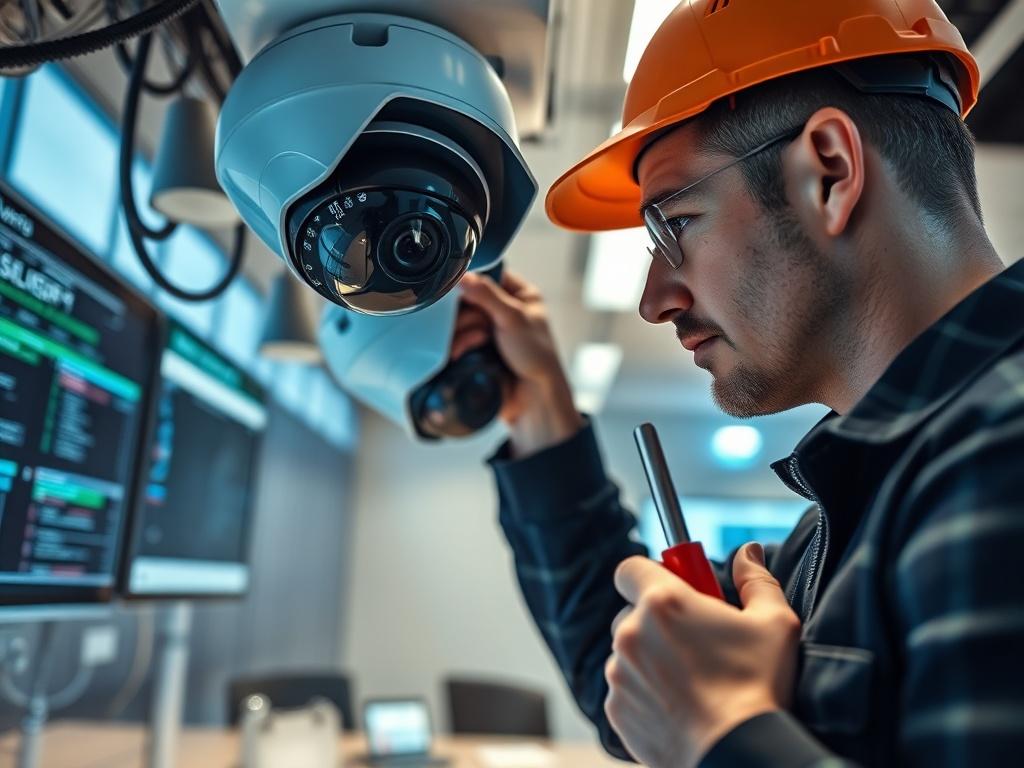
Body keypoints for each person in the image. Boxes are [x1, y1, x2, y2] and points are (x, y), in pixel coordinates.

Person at [451, 1, 1024, 766]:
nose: (654, 300)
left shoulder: (999, 456)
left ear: (830, 171)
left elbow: (691, 717)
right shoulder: (842, 522)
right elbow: (636, 674)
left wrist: (723, 737)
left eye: (673, 225)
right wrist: (544, 414)